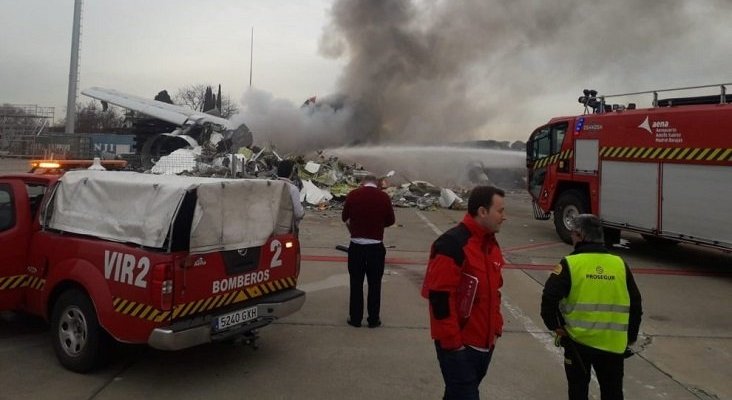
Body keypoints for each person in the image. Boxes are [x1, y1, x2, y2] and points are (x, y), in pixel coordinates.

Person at [541, 214, 643, 400]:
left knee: (578, 391)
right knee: (612, 392)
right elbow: (635, 304)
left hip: (578, 342)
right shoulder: (619, 264)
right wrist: (631, 337)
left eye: (573, 234)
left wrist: (555, 326)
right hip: (613, 345)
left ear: (580, 235)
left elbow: (549, 297)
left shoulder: (571, 264)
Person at [421, 185, 506, 400]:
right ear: (482, 211)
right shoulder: (453, 244)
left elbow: (494, 292)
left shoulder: (490, 245)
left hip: (484, 345)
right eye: (500, 211)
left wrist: (495, 328)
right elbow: (439, 298)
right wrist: (453, 345)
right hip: (459, 347)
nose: (504, 217)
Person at [341, 175, 395, 328]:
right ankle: (373, 319)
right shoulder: (384, 197)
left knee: (356, 283)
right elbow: (391, 220)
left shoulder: (353, 195)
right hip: (376, 247)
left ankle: (356, 318)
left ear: (363, 183)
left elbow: (344, 217)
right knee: (375, 284)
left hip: (356, 246)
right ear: (377, 184)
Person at [277, 160, 305, 233]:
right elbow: (298, 213)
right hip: (287, 229)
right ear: (291, 172)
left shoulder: (270, 185)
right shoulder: (292, 189)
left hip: (270, 227)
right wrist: (303, 212)